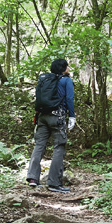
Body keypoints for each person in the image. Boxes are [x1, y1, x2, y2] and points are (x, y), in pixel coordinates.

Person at [26, 58, 75, 193]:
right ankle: (54, 183)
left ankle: (33, 178)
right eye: (67, 67)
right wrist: (72, 116)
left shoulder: (45, 80)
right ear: (63, 69)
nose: (68, 69)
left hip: (42, 116)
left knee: (39, 145)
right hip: (57, 117)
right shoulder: (66, 80)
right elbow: (69, 99)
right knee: (59, 146)